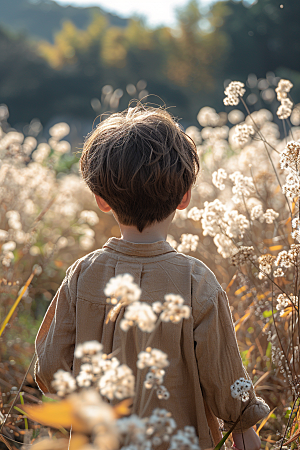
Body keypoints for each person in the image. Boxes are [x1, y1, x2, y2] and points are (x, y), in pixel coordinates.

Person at [35, 105, 269, 450]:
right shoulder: (196, 282)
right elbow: (227, 381)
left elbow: (51, 367)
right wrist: (244, 430)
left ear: (101, 200)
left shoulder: (83, 275)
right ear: (185, 197)